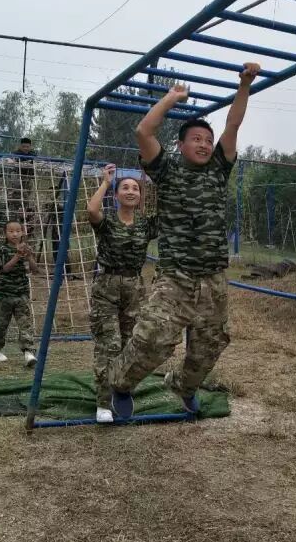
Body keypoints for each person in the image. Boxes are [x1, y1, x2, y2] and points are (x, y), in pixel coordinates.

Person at [108, 62, 260, 419]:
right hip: (176, 277)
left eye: (207, 140)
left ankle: (184, 386)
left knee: (210, 345)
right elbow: (143, 130)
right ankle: (121, 385)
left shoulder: (219, 169)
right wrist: (171, 98)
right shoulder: (167, 169)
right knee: (153, 339)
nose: (204, 144)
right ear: (180, 144)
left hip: (213, 278)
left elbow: (233, 124)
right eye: (197, 139)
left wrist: (245, 84)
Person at [87, 165, 157, 423]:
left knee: (130, 342)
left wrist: (159, 179)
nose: (130, 191)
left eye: (135, 188)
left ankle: (122, 391)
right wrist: (106, 182)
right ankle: (103, 402)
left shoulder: (145, 224)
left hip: (134, 288)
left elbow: (171, 215)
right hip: (107, 286)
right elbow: (92, 210)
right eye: (125, 187)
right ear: (116, 195)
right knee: (110, 343)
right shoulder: (107, 222)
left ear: (140, 195)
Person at [0, 219, 38, 367]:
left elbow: (34, 269)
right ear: (5, 233)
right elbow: (5, 269)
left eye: (18, 231)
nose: (15, 234)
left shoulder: (26, 248)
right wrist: (17, 255)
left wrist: (29, 256)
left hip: (21, 293)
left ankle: (29, 352)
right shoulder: (1, 249)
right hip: (4, 294)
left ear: (22, 232)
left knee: (25, 324)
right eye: (11, 231)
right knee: (1, 324)